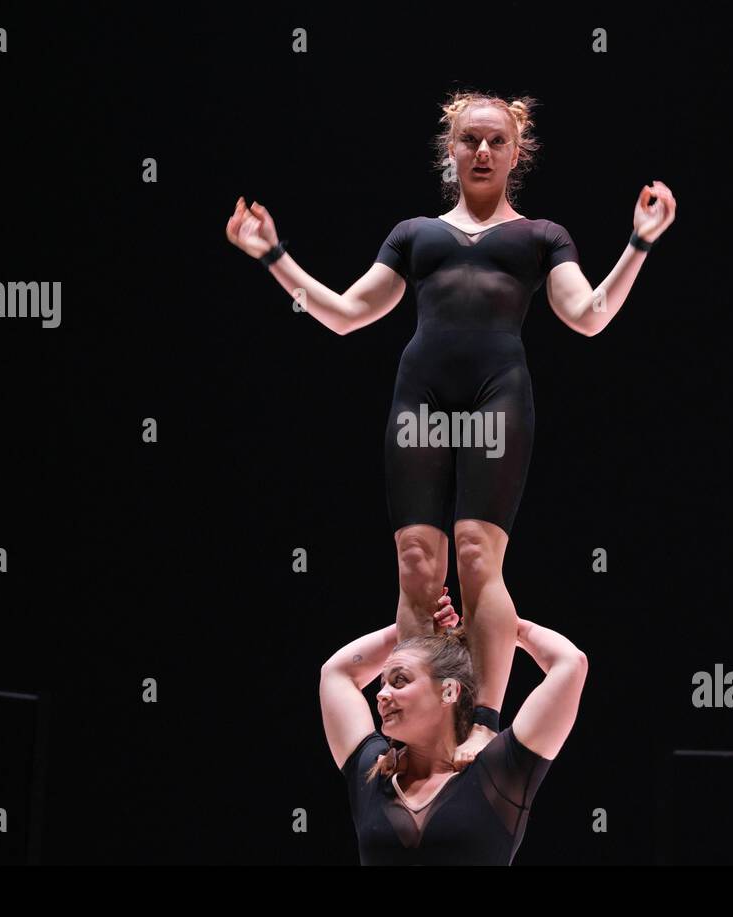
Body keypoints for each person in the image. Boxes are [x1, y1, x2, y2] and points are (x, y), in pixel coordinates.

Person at [231, 90, 672, 765]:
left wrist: (638, 244)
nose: (483, 151)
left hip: (498, 393)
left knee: (474, 555)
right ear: (451, 150)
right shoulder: (415, 234)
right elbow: (346, 313)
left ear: (517, 152)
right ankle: (412, 730)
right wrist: (272, 256)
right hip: (422, 396)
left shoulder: (541, 237)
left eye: (497, 141)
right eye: (470, 140)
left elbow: (588, 314)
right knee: (417, 564)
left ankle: (485, 725)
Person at [319, 588, 588, 864]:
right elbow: (336, 673)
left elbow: (571, 664)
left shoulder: (498, 771)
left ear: (448, 692)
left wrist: (505, 627)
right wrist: (411, 627)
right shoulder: (372, 773)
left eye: (399, 681)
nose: (382, 694)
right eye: (383, 683)